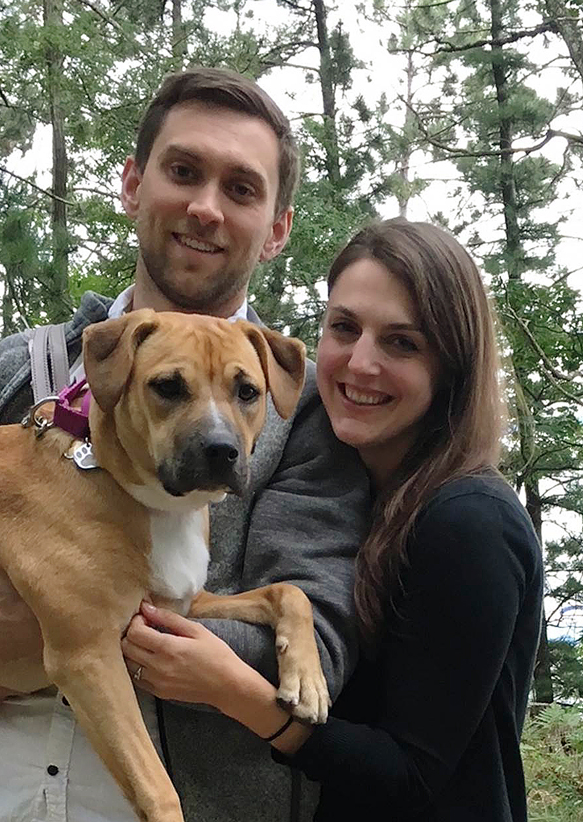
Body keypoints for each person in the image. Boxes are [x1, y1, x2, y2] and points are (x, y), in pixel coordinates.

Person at [0, 68, 370, 822]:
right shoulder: (21, 371)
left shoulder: (300, 416)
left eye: (241, 188)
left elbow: (319, 650)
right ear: (133, 185)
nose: (205, 207)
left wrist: (67, 625)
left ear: (276, 228)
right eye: (183, 171)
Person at [121, 218, 543, 821]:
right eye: (344, 328)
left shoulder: (469, 522)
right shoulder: (371, 498)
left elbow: (410, 778)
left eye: (402, 342)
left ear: (451, 364)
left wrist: (233, 690)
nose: (359, 364)